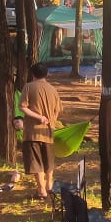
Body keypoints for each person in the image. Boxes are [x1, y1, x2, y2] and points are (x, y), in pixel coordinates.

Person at [20, 62, 63, 199]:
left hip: (32, 132)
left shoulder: (28, 87)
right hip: (48, 132)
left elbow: (23, 107)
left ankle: (41, 190)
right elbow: (57, 111)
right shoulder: (53, 89)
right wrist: (50, 121)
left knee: (36, 162)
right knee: (48, 161)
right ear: (47, 74)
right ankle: (49, 185)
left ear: (33, 74)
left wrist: (39, 117)